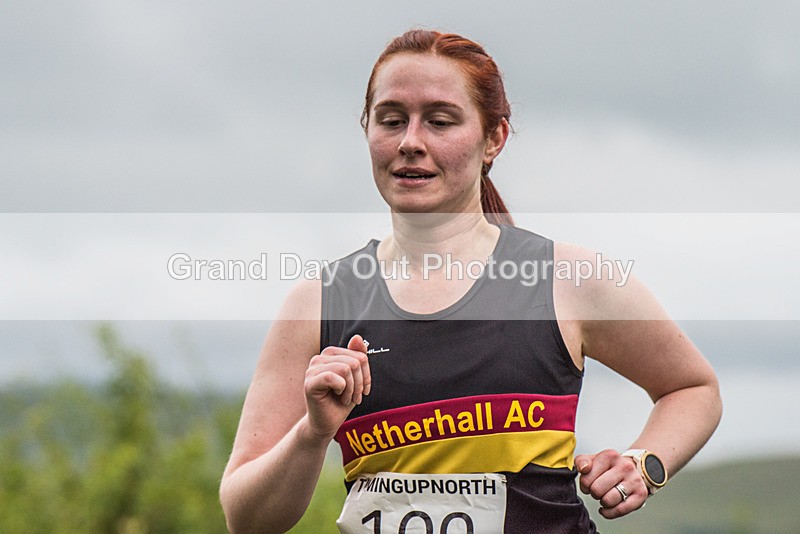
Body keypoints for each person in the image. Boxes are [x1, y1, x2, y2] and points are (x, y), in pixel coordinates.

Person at [219, 29, 722, 533]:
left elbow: (693, 388)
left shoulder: (567, 279)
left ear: (493, 138)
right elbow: (246, 519)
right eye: (391, 120)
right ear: (367, 129)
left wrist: (644, 463)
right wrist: (313, 433)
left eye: (440, 122)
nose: (411, 142)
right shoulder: (320, 302)